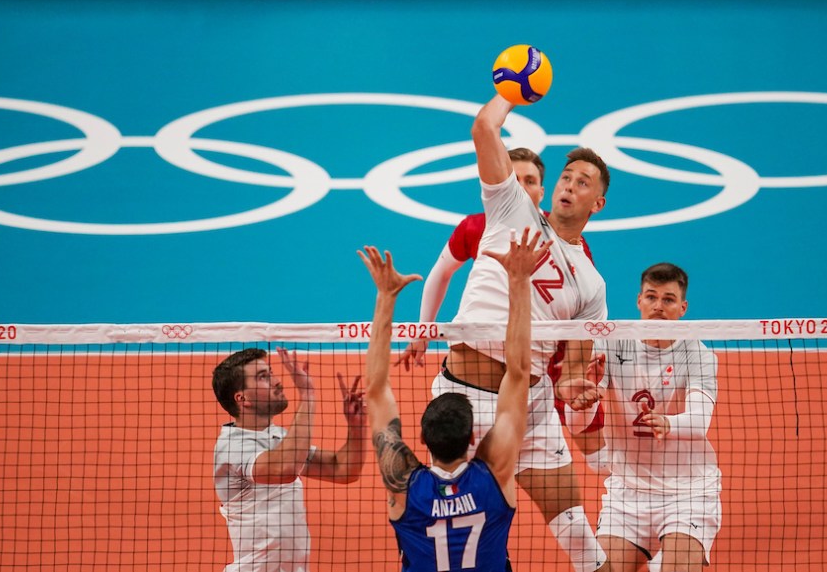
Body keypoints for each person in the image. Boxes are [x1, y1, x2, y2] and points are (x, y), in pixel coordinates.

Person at [433, 92, 613, 572]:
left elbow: (574, 365)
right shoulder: (511, 206)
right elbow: (483, 129)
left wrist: (576, 387)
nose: (569, 185)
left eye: (584, 182)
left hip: (530, 405)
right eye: (566, 176)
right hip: (464, 400)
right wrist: (510, 93)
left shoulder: (592, 284)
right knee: (457, 536)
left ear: (598, 203)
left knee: (578, 532)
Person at [396, 146, 608, 474]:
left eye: (530, 180)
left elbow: (579, 314)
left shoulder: (578, 257)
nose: (521, 186)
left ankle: (615, 472)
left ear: (540, 189)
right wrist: (424, 330)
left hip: (537, 367)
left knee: (580, 425)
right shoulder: (481, 225)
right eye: (515, 178)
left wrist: (573, 371)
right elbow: (440, 273)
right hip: (476, 373)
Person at [360, 229, 546, 571]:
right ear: (474, 438)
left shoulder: (403, 483)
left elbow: (375, 390)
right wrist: (519, 281)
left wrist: (386, 297)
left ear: (421, 440)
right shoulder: (495, 473)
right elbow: (518, 372)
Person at [564, 263, 722, 572]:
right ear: (639, 301)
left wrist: (670, 422)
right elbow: (578, 425)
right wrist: (581, 404)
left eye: (668, 300)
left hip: (688, 494)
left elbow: (700, 419)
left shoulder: (698, 354)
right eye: (651, 297)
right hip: (627, 495)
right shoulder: (610, 344)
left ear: (683, 308)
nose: (658, 307)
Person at [212, 347, 368, 572]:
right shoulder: (232, 447)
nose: (276, 381)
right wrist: (307, 394)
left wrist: (356, 427)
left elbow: (341, 470)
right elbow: (286, 468)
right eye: (263, 377)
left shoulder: (278, 438)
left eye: (271, 373)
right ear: (242, 398)